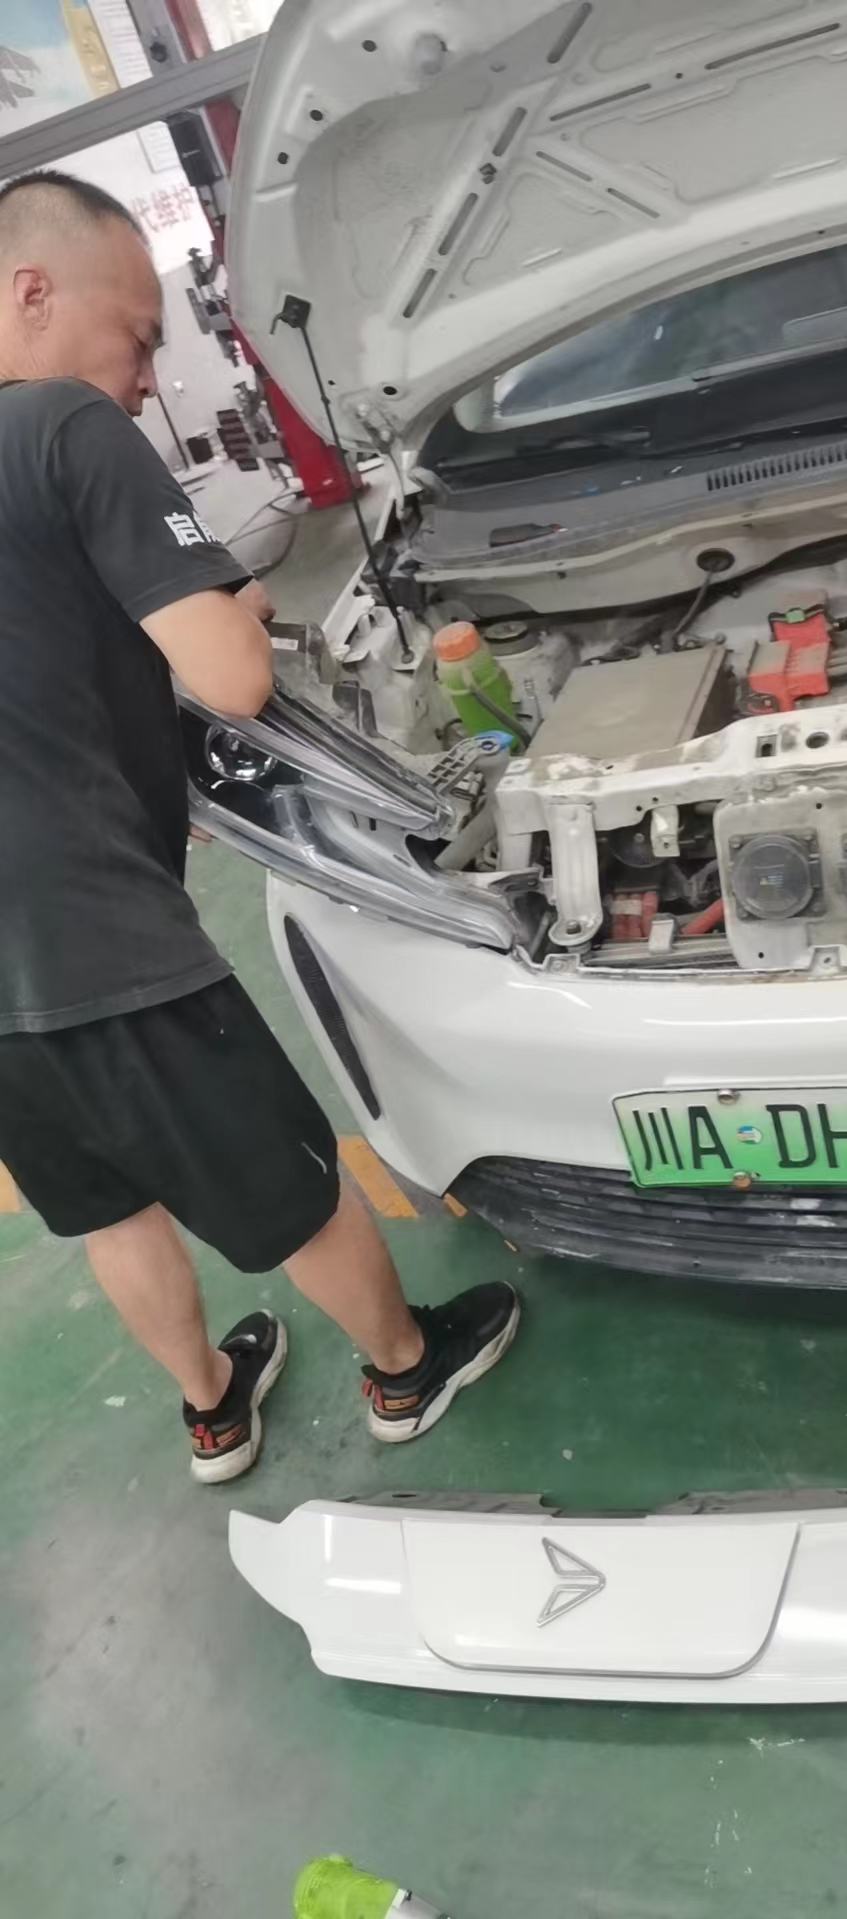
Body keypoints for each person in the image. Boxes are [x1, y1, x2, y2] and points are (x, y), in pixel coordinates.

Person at [0, 171, 519, 1482]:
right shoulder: (60, 424)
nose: (144, 379)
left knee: (105, 1204)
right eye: (136, 336)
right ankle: (406, 1366)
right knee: (281, 1178)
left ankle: (212, 1408)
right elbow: (231, 679)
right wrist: (225, 597)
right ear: (32, 292)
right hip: (96, 938)